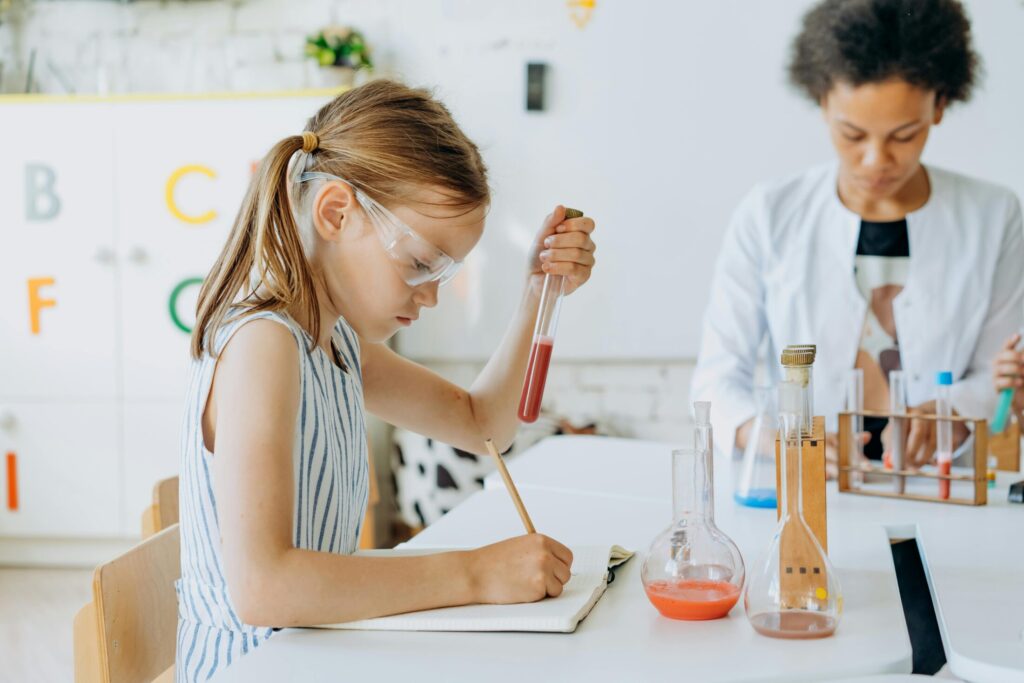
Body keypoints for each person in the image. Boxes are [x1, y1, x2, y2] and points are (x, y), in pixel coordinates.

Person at [176, 80, 598, 682]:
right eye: (421, 264)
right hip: (255, 666)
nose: (431, 295)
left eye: (445, 273)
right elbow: (262, 589)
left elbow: (484, 427)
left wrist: (539, 292)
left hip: (316, 656)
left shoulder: (341, 344)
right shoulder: (263, 343)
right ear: (336, 213)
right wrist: (476, 573)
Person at [691, 0, 1024, 476]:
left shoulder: (993, 216)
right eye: (852, 134)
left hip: (938, 486)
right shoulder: (769, 213)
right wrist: (778, 441)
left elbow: (999, 375)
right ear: (823, 101)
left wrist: (948, 412)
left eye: (904, 135)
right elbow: (715, 382)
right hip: (805, 493)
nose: (876, 161)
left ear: (941, 105)